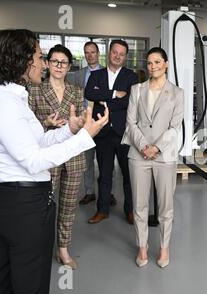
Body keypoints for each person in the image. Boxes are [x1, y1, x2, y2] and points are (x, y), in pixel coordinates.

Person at [0, 29, 108, 294]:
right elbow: (33, 160)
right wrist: (85, 137)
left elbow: (39, 140)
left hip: (23, 203)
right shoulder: (5, 102)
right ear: (22, 60)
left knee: (8, 278)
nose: (44, 63)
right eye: (40, 56)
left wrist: (71, 129)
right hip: (21, 206)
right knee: (30, 284)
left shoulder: (12, 97)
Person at [122, 47, 184, 268]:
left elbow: (175, 127)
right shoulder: (137, 89)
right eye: (149, 63)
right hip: (138, 155)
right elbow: (131, 123)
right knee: (140, 205)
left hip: (164, 156)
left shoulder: (177, 93)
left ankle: (164, 247)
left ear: (166, 64)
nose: (153, 66)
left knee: (166, 207)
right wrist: (142, 146)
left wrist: (156, 147)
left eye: (157, 62)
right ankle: (142, 247)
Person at [28, 44, 85, 270]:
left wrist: (78, 124)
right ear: (47, 63)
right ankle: (39, 248)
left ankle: (63, 249)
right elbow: (27, 127)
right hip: (47, 157)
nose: (59, 66)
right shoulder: (34, 90)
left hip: (72, 157)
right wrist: (47, 124)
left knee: (68, 206)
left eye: (63, 62)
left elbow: (80, 123)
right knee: (45, 205)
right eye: (54, 61)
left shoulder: (76, 92)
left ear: (69, 66)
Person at [85, 39, 138, 225]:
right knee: (104, 174)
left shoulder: (131, 77)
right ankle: (102, 210)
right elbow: (90, 93)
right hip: (103, 132)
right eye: (115, 52)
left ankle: (130, 211)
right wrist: (114, 94)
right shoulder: (96, 75)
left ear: (125, 57)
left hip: (124, 133)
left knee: (128, 175)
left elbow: (130, 101)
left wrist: (104, 100)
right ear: (109, 53)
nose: (117, 56)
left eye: (121, 54)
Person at [72, 42, 118, 207]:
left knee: (106, 160)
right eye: (87, 52)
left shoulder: (107, 73)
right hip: (85, 122)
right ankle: (89, 191)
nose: (90, 55)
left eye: (93, 52)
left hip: (102, 122)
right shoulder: (78, 75)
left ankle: (108, 192)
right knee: (87, 159)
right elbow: (76, 98)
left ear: (98, 53)